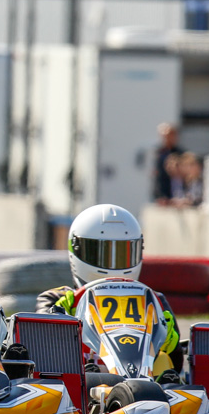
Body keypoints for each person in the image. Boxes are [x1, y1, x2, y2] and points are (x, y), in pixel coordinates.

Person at [35, 204, 183, 381]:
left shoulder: (154, 300)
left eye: (121, 253)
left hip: (143, 382)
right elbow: (40, 348)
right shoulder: (57, 298)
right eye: (102, 253)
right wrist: (59, 316)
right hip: (80, 383)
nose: (112, 264)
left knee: (165, 364)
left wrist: (167, 340)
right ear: (77, 249)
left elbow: (178, 364)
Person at [152, 123, 184, 205]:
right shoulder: (158, 154)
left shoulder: (181, 154)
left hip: (179, 194)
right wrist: (160, 196)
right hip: (163, 194)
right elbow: (157, 177)